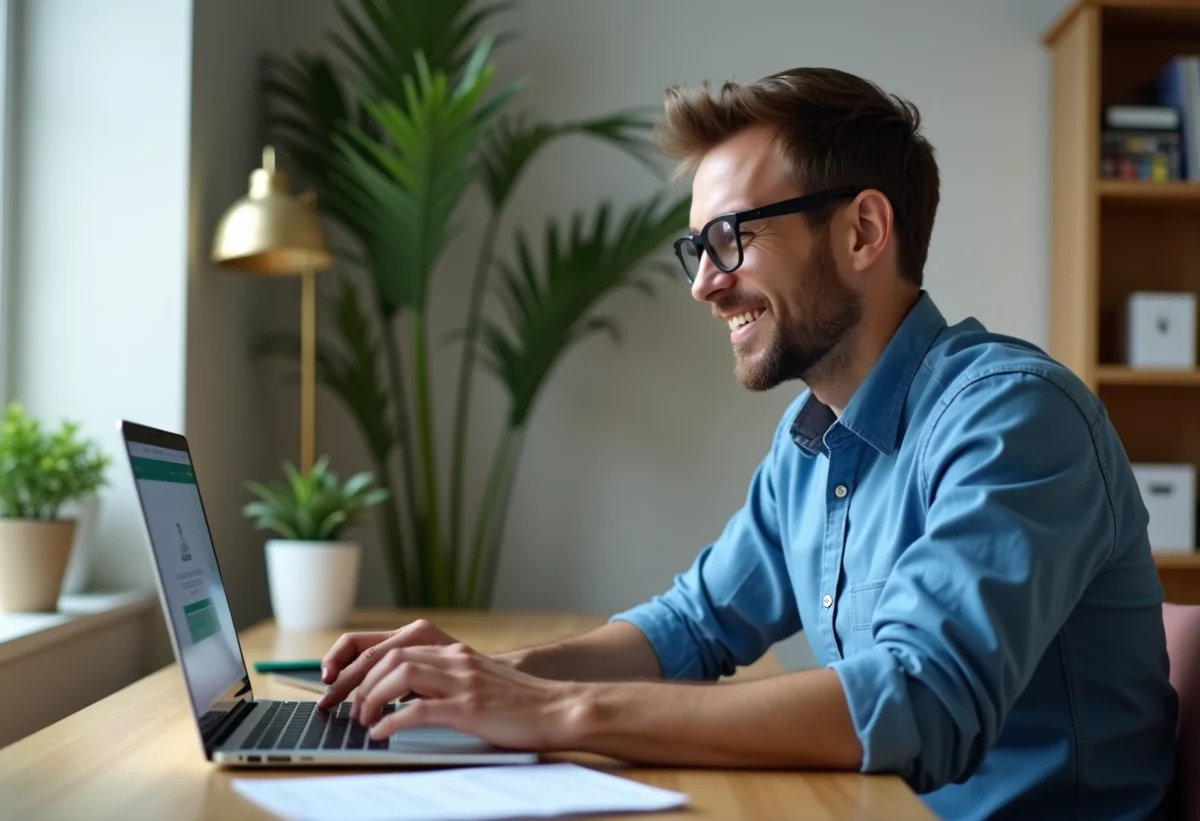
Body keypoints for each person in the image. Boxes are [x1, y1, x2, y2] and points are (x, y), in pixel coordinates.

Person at [315, 67, 1178, 820]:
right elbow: (691, 626)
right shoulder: (809, 447)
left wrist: (555, 710)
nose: (702, 283)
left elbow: (918, 702)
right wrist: (484, 676)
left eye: (732, 237)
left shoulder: (1014, 419)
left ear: (862, 232)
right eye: (696, 246)